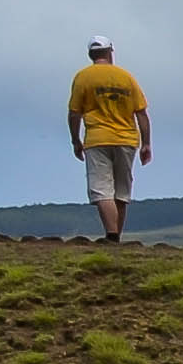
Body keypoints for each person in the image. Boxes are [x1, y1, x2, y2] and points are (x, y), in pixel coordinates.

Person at [65, 36, 152, 241]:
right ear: (110, 52)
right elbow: (141, 113)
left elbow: (74, 113)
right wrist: (146, 143)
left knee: (102, 189)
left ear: (90, 55)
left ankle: (112, 238)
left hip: (97, 139)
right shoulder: (126, 77)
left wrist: (75, 140)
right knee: (121, 192)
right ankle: (116, 239)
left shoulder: (83, 77)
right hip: (127, 139)